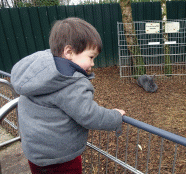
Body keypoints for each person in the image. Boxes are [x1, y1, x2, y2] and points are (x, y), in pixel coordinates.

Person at [11, 17, 125, 174]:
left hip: (35, 154)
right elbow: (89, 115)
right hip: (60, 158)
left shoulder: (37, 74)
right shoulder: (70, 83)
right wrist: (115, 117)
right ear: (69, 52)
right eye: (91, 57)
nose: (92, 64)